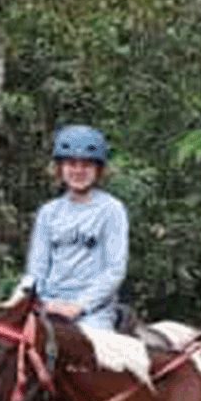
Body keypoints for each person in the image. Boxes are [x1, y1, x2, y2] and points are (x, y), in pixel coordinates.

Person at [25, 124, 129, 330]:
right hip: (49, 304)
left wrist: (79, 306)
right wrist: (25, 299)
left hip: (93, 311)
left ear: (98, 169)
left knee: (90, 355)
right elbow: (36, 269)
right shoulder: (49, 212)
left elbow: (114, 270)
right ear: (60, 168)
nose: (78, 171)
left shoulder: (111, 210)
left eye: (86, 165)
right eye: (71, 163)